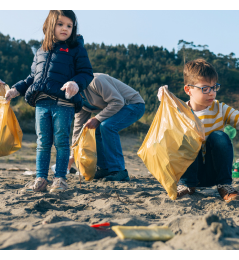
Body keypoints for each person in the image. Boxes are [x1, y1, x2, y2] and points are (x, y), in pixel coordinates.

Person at [157, 59, 239, 202]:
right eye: (205, 88)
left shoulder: (220, 108)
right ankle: (187, 186)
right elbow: (164, 134)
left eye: (214, 87)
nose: (212, 93)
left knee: (219, 136)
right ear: (188, 90)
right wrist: (165, 103)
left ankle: (225, 185)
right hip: (189, 173)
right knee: (184, 135)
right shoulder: (180, 112)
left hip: (215, 172)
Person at [6, 10, 94, 192]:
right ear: (50, 25)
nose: (65, 29)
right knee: (43, 142)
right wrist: (16, 89)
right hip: (41, 104)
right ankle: (41, 179)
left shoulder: (76, 48)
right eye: (60, 24)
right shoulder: (41, 51)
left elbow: (86, 73)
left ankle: (60, 179)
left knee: (61, 142)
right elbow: (32, 78)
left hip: (64, 103)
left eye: (69, 26)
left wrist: (75, 83)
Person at [69, 73, 145, 181]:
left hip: (134, 104)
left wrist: (97, 119)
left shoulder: (96, 81)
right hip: (119, 108)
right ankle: (104, 169)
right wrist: (72, 155)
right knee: (95, 130)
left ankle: (119, 171)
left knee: (107, 126)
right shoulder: (78, 100)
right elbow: (78, 128)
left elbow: (118, 101)